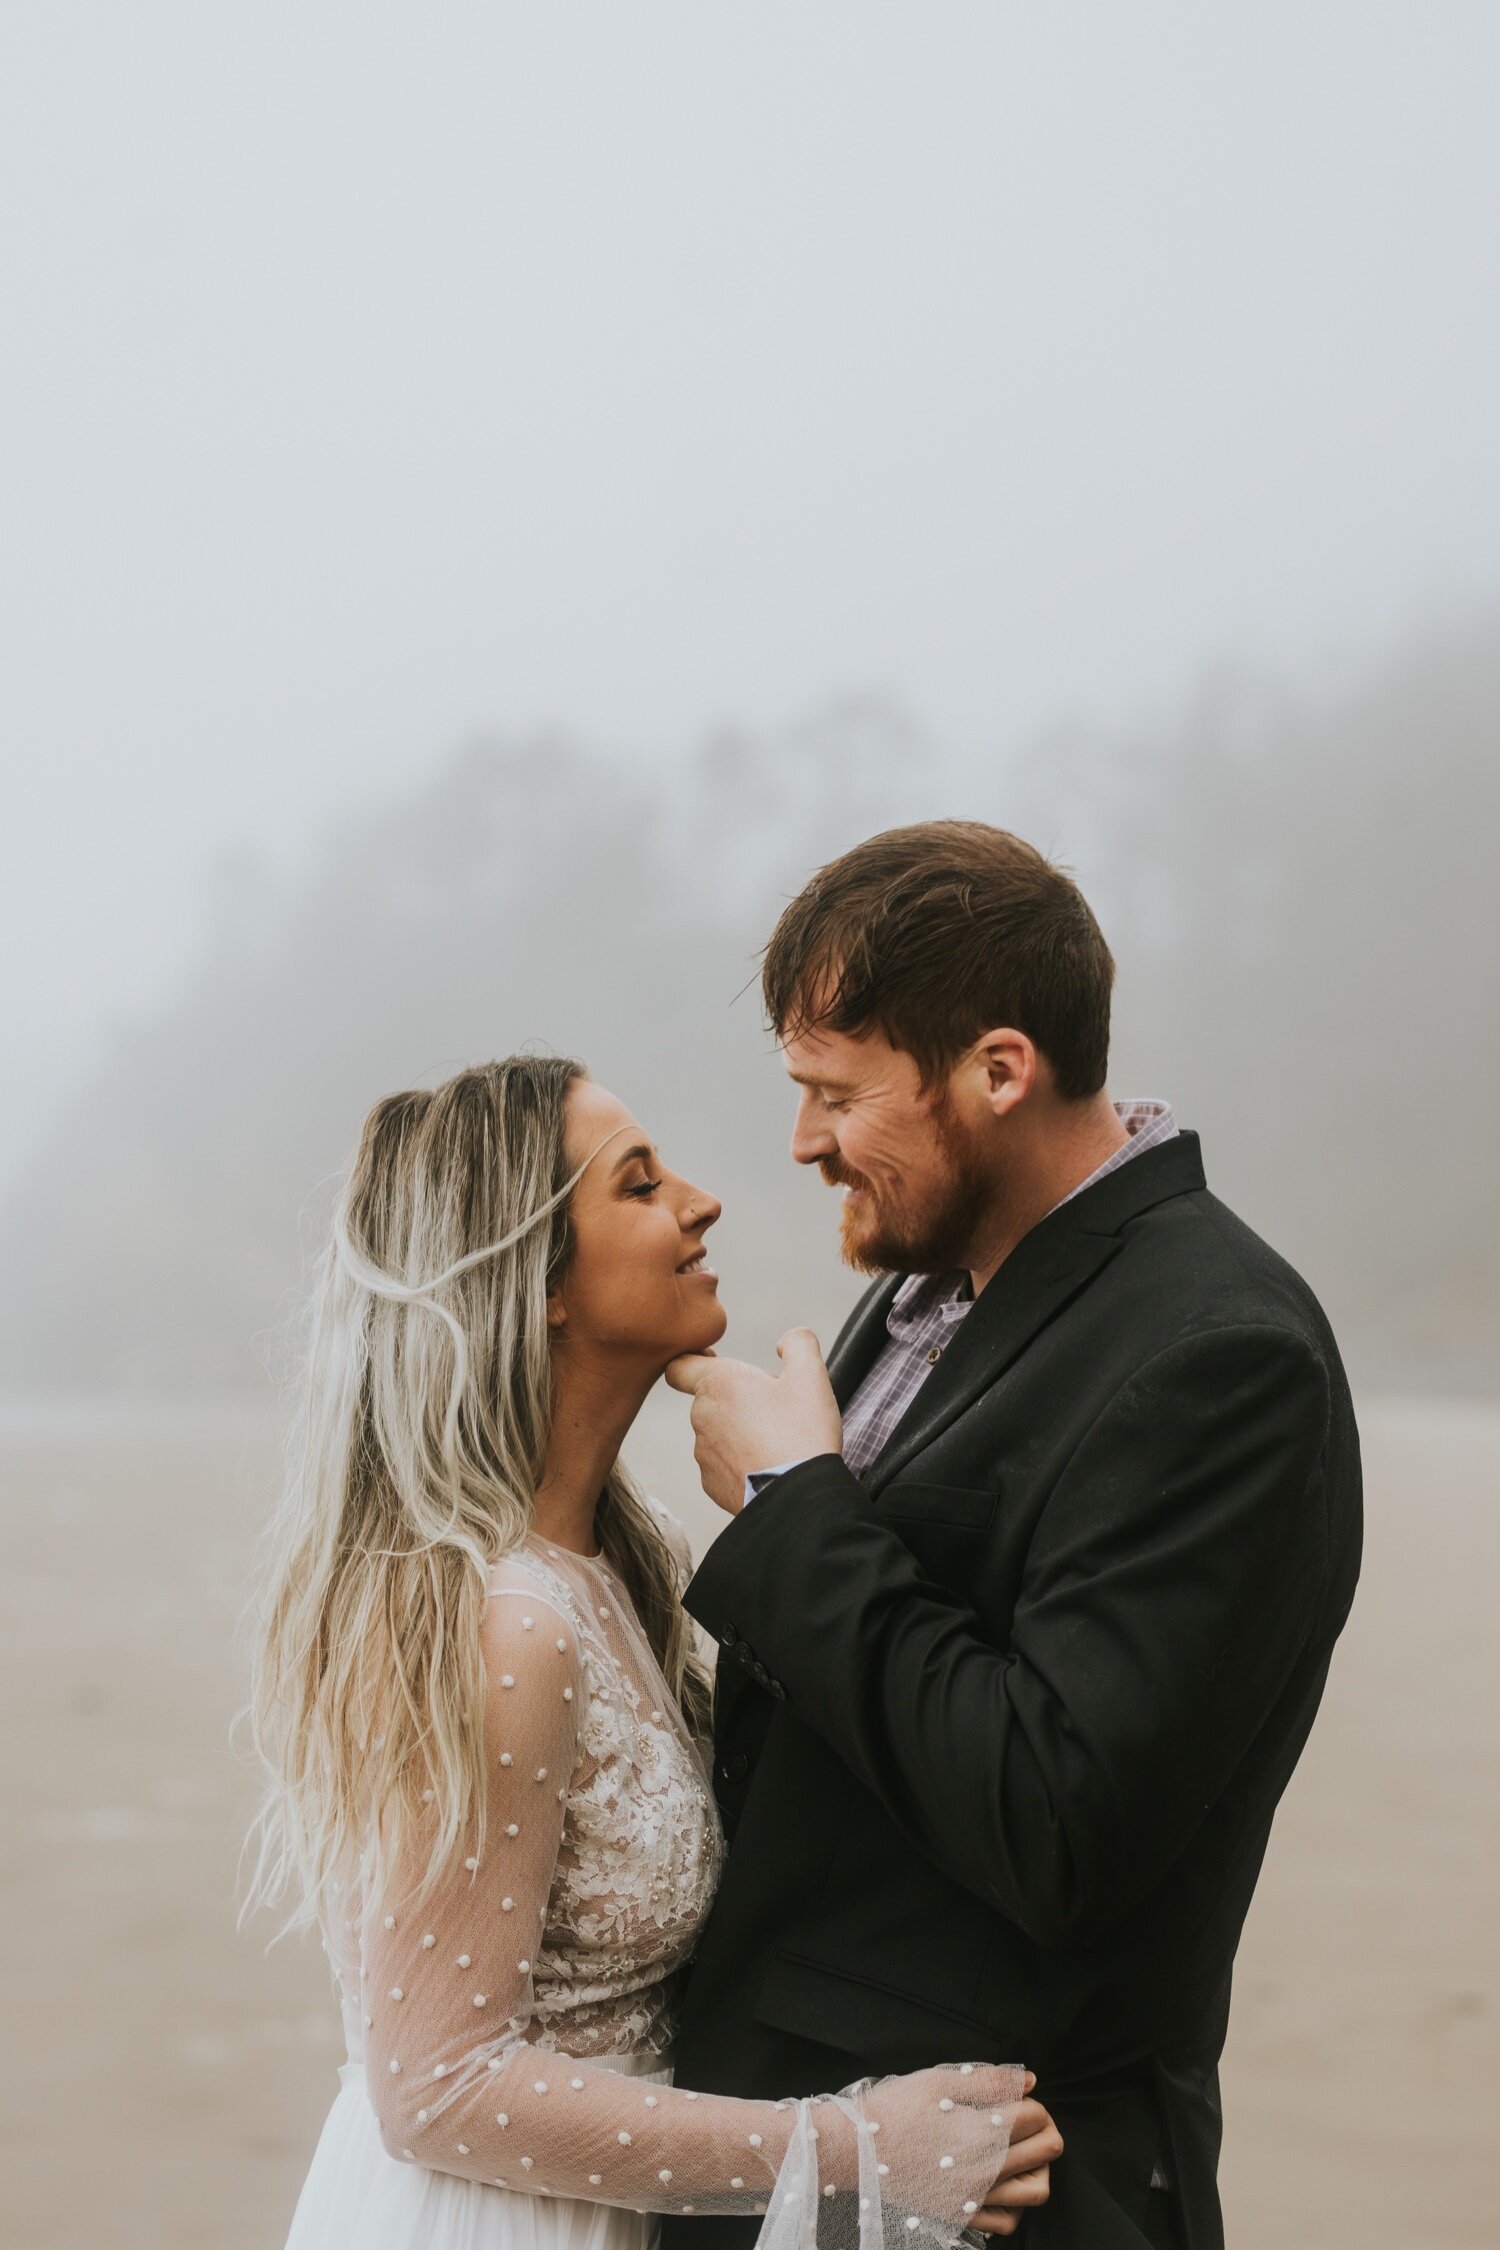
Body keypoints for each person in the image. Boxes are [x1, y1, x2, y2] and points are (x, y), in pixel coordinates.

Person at [662, 821, 1362, 2250]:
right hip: (818, 2156)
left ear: (998, 1069)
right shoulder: (944, 1275)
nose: (800, 1140)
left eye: (834, 1093)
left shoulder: (1221, 1352)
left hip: (1013, 2185)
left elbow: (1058, 1816)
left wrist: (798, 1507)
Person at [246, 1056, 1061, 2250]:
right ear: (541, 1281)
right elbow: (436, 2090)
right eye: (638, 1185)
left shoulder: (630, 1566)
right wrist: (860, 2151)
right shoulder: (503, 1621)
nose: (701, 1200)